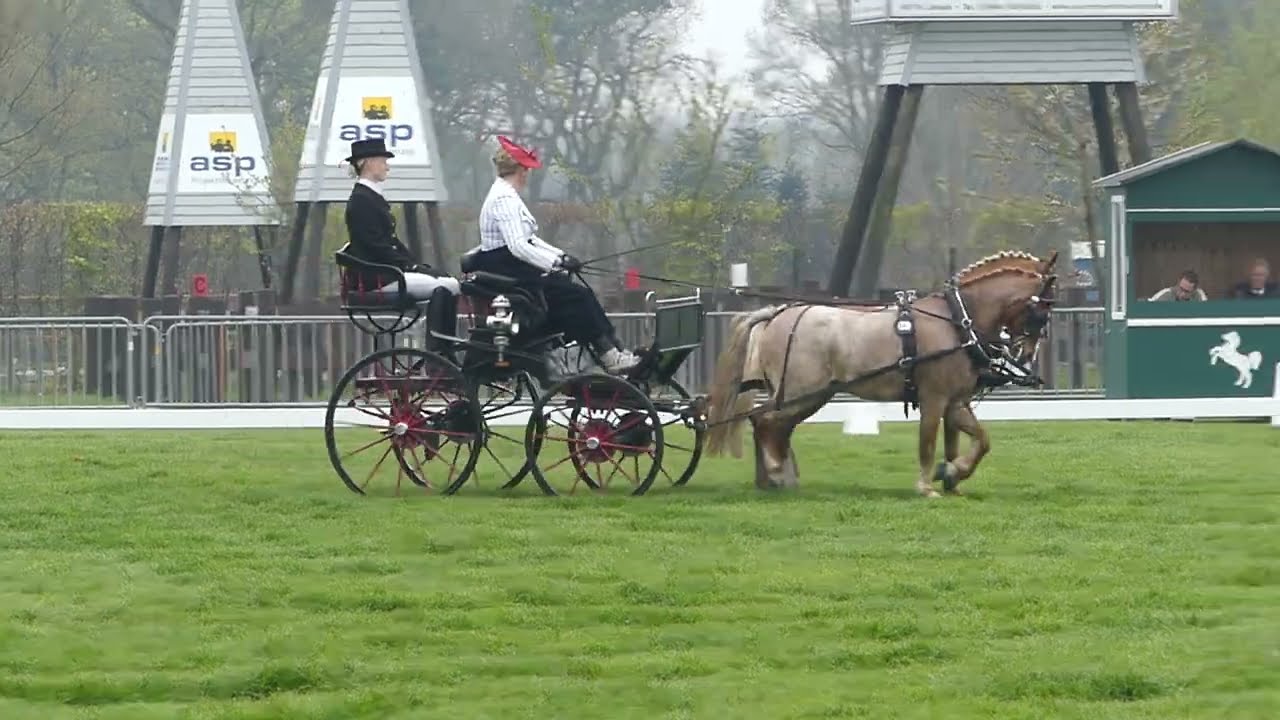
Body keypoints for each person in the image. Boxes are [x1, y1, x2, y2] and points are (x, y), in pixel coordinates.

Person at [465, 135, 639, 374]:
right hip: (506, 268)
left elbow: (531, 239)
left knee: (576, 292)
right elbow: (518, 246)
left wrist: (561, 258)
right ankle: (609, 355)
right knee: (577, 296)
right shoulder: (504, 199)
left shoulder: (506, 195)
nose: (528, 175)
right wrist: (554, 263)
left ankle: (612, 350)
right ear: (522, 171)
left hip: (510, 265)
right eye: (527, 170)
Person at [340, 137, 460, 350]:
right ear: (365, 163)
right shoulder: (361, 201)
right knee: (448, 286)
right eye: (382, 160)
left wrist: (415, 265)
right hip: (378, 279)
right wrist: (410, 267)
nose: (387, 166)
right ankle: (439, 349)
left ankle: (441, 347)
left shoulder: (369, 198)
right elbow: (376, 247)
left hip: (385, 274)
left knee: (446, 281)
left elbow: (390, 243)